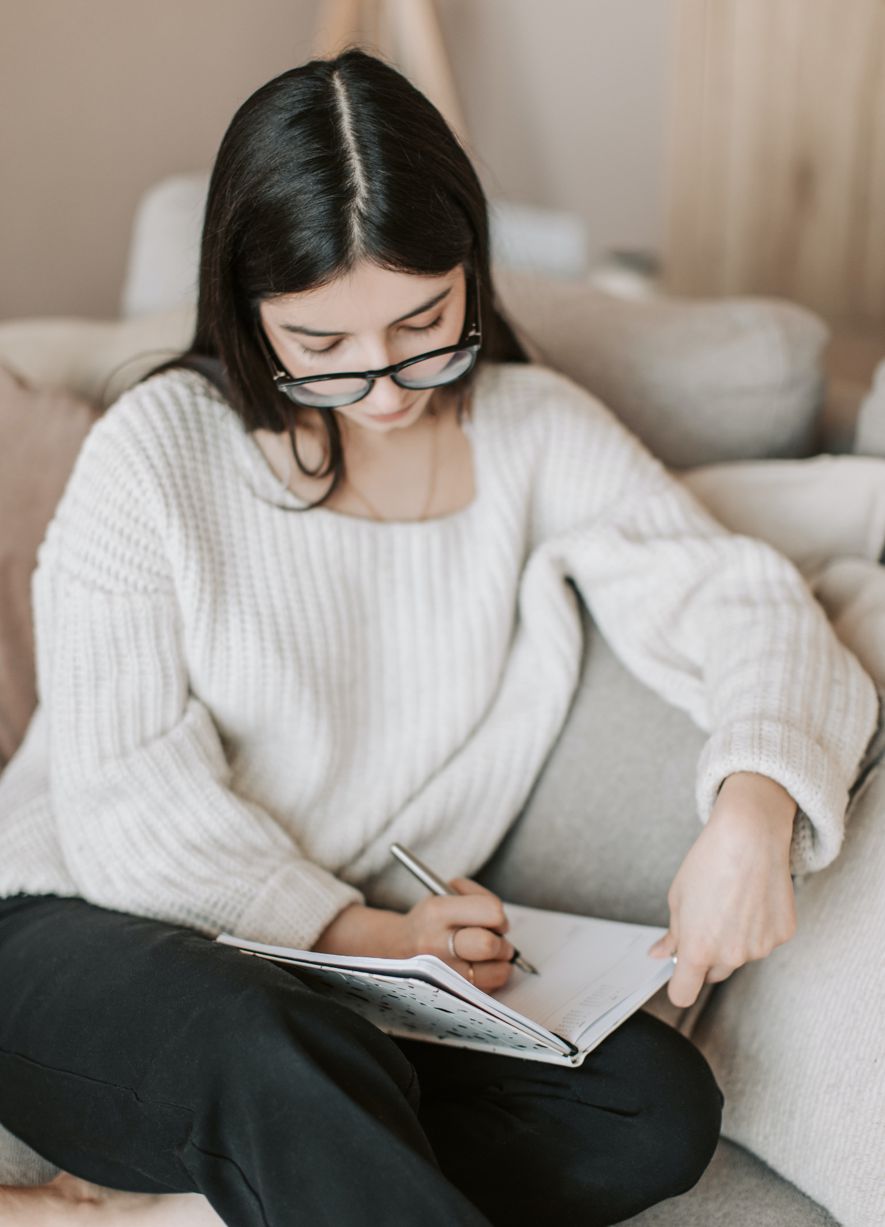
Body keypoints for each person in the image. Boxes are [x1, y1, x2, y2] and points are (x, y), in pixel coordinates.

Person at [0, 47, 878, 1227]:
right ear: (248, 312)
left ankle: (211, 1197)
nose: (384, 391)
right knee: (264, 1040)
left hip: (351, 986)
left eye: (424, 324)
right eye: (322, 348)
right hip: (82, 932)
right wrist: (375, 933)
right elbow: (125, 809)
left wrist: (755, 803)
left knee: (649, 1106)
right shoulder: (155, 454)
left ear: (472, 262)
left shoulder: (535, 433)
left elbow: (741, 597)